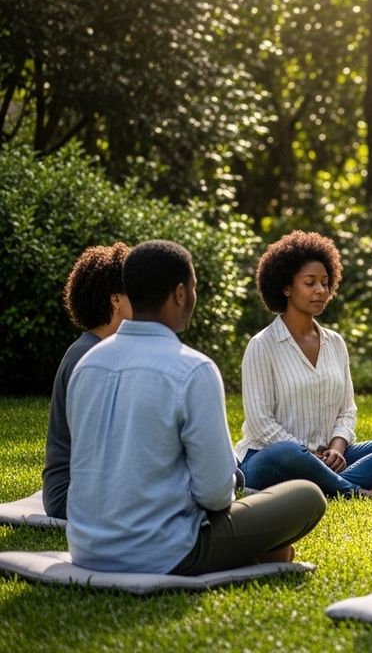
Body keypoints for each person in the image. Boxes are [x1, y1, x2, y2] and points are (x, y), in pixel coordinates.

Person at [66, 240, 326, 574]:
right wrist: (232, 477)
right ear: (180, 294)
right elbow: (216, 495)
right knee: (307, 496)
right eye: (194, 288)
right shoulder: (193, 369)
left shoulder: (88, 364)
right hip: (164, 551)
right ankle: (259, 551)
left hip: (88, 548)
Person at [236, 231, 372, 497]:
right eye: (310, 282)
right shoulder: (262, 346)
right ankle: (353, 491)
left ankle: (324, 484)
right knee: (288, 451)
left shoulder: (335, 343)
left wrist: (337, 449)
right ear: (286, 287)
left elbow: (347, 410)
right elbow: (260, 423)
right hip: (272, 459)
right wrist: (308, 456)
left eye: (325, 283)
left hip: (329, 455)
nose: (320, 290)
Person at [42, 243, 131, 520]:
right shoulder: (89, 355)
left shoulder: (100, 350)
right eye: (135, 294)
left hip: (87, 486)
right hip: (70, 493)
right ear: (115, 299)